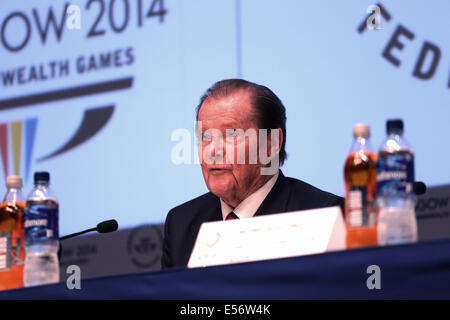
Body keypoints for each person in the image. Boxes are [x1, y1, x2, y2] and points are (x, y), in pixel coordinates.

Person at [161, 79, 343, 268]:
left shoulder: (324, 216)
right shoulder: (180, 223)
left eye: (231, 134)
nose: (212, 150)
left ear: (271, 144)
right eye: (205, 137)